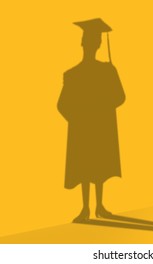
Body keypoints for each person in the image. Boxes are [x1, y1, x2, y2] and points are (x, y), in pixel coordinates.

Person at [58, 18, 125, 222]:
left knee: (98, 166)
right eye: (88, 41)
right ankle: (87, 208)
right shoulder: (72, 74)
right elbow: (62, 104)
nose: (90, 44)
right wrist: (76, 116)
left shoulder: (107, 71)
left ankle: (97, 207)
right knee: (86, 166)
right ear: (84, 44)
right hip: (84, 126)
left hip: (98, 125)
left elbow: (120, 97)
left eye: (92, 41)